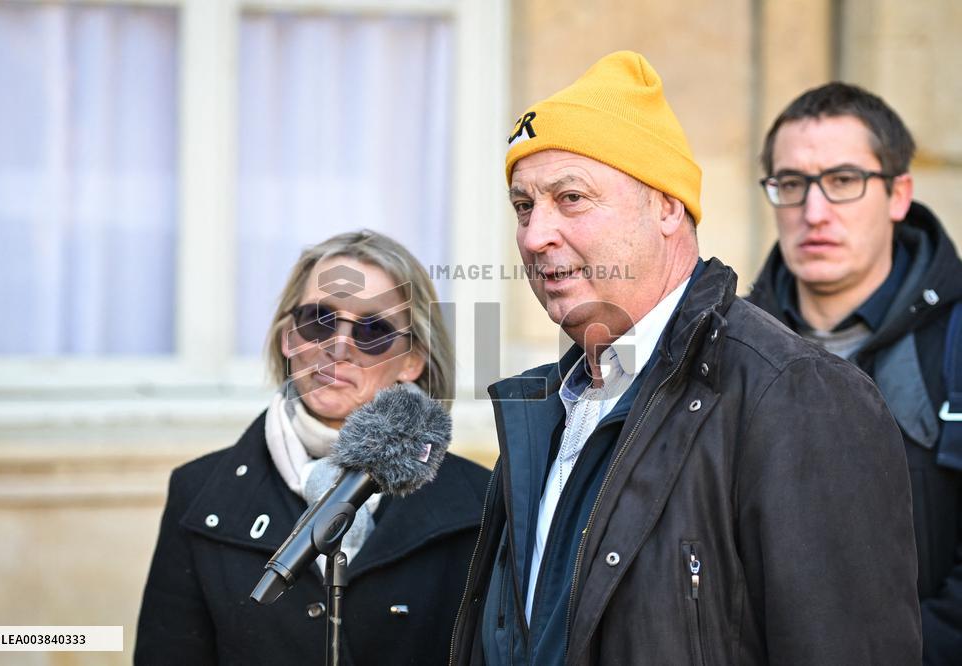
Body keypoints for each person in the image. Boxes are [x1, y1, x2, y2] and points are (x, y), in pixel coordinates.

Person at [449, 51, 921, 665]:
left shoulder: (796, 393)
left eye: (570, 198)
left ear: (668, 207)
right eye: (523, 206)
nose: (536, 235)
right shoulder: (547, 408)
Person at [136, 230, 490, 665]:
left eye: (374, 330)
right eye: (318, 320)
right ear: (289, 338)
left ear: (412, 361)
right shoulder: (200, 492)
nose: (338, 347)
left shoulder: (482, 503)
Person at [747, 82, 962, 664]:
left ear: (898, 194)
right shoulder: (724, 348)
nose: (813, 212)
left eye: (844, 181)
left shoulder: (956, 344)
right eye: (791, 184)